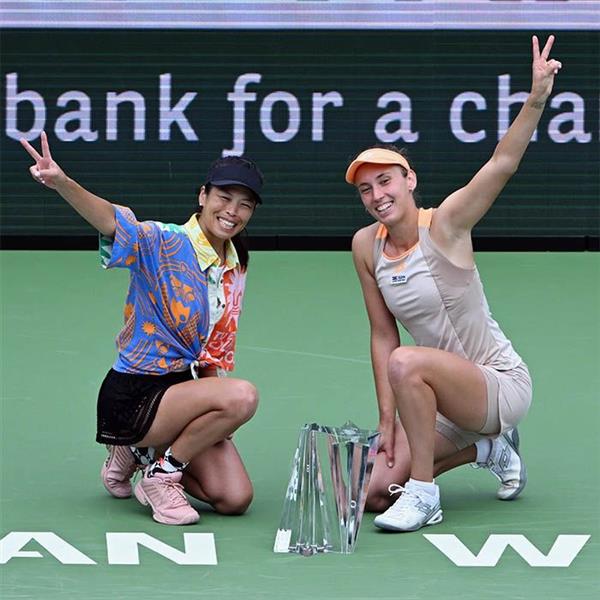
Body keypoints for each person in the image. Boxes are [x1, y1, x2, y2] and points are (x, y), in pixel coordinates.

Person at [347, 35, 561, 532]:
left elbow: (501, 164)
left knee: (407, 362)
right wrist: (386, 418)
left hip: (496, 386)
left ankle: (425, 495)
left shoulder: (446, 225)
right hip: (434, 396)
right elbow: (382, 333)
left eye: (385, 181)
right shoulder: (365, 246)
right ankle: (489, 450)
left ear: (410, 180)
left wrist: (536, 99)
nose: (377, 195)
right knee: (373, 491)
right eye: (366, 189)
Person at [21, 133, 264, 525]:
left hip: (181, 393)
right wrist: (62, 182)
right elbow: (111, 220)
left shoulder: (235, 265)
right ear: (203, 196)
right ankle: (158, 475)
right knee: (243, 396)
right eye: (224, 197)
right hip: (134, 396)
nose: (232, 211)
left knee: (235, 498)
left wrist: (217, 419)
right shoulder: (163, 241)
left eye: (245, 204)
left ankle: (142, 453)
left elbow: (214, 349)